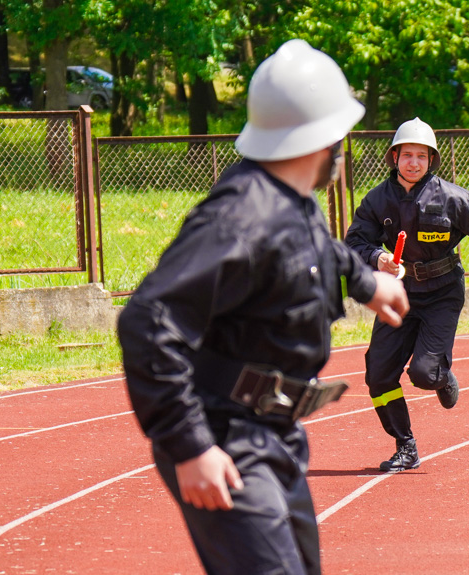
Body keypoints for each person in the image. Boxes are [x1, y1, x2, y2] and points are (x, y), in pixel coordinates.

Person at [116, 39, 409, 575]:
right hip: (223, 434)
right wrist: (190, 446)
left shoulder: (293, 201)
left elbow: (318, 251)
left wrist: (368, 283)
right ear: (321, 141)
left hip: (276, 433)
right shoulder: (240, 220)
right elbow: (147, 321)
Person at [344, 117, 469, 472]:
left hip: (442, 293)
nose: (414, 162)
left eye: (422, 156)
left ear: (432, 160)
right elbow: (355, 242)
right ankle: (405, 446)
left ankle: (441, 374)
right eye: (407, 155)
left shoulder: (453, 199)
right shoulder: (377, 200)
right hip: (397, 294)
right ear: (394, 157)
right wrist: (378, 257)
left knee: (425, 374)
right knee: (378, 375)